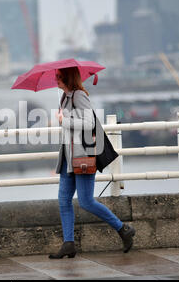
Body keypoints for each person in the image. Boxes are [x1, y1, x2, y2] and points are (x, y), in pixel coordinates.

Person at [50, 67, 135, 259]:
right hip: (68, 157)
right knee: (63, 201)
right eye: (55, 76)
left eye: (58, 76)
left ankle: (123, 229)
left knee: (86, 201)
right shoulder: (64, 97)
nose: (56, 79)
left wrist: (65, 120)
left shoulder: (79, 95)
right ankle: (68, 244)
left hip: (83, 157)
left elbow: (89, 123)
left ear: (68, 77)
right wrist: (63, 120)